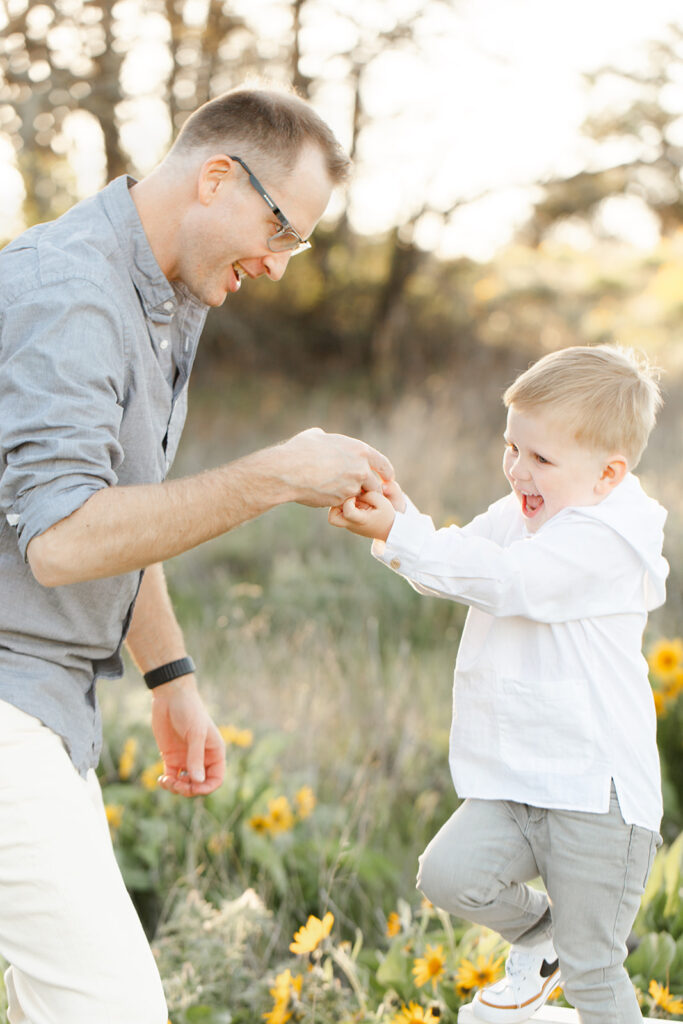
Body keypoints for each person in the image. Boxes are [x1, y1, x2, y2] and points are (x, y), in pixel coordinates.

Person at [0, 85, 393, 1024]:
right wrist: (275, 475)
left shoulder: (168, 291)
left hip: (45, 699)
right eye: (282, 231)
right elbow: (63, 541)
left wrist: (169, 675)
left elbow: (122, 501)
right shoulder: (70, 292)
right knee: (110, 1008)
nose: (280, 263)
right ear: (218, 177)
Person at [329, 345, 667, 1024]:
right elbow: (455, 562)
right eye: (510, 446)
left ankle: (568, 951)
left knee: (595, 973)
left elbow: (511, 583)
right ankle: (538, 936)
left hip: (595, 795)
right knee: (449, 875)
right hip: (519, 781)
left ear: (607, 474)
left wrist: (402, 533)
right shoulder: (522, 512)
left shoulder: (608, 541)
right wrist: (401, 520)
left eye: (540, 459)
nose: (517, 469)